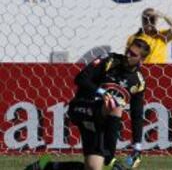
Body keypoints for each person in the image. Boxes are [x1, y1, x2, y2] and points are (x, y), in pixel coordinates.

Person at [25, 38, 150, 170]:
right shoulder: (110, 60)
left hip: (100, 121)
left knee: (93, 167)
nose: (127, 55)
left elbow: (137, 115)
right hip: (82, 107)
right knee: (115, 105)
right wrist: (102, 92)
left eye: (133, 54)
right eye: (128, 51)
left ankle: (45, 165)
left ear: (141, 60)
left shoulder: (138, 82)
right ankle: (110, 157)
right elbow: (80, 78)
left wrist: (137, 147)